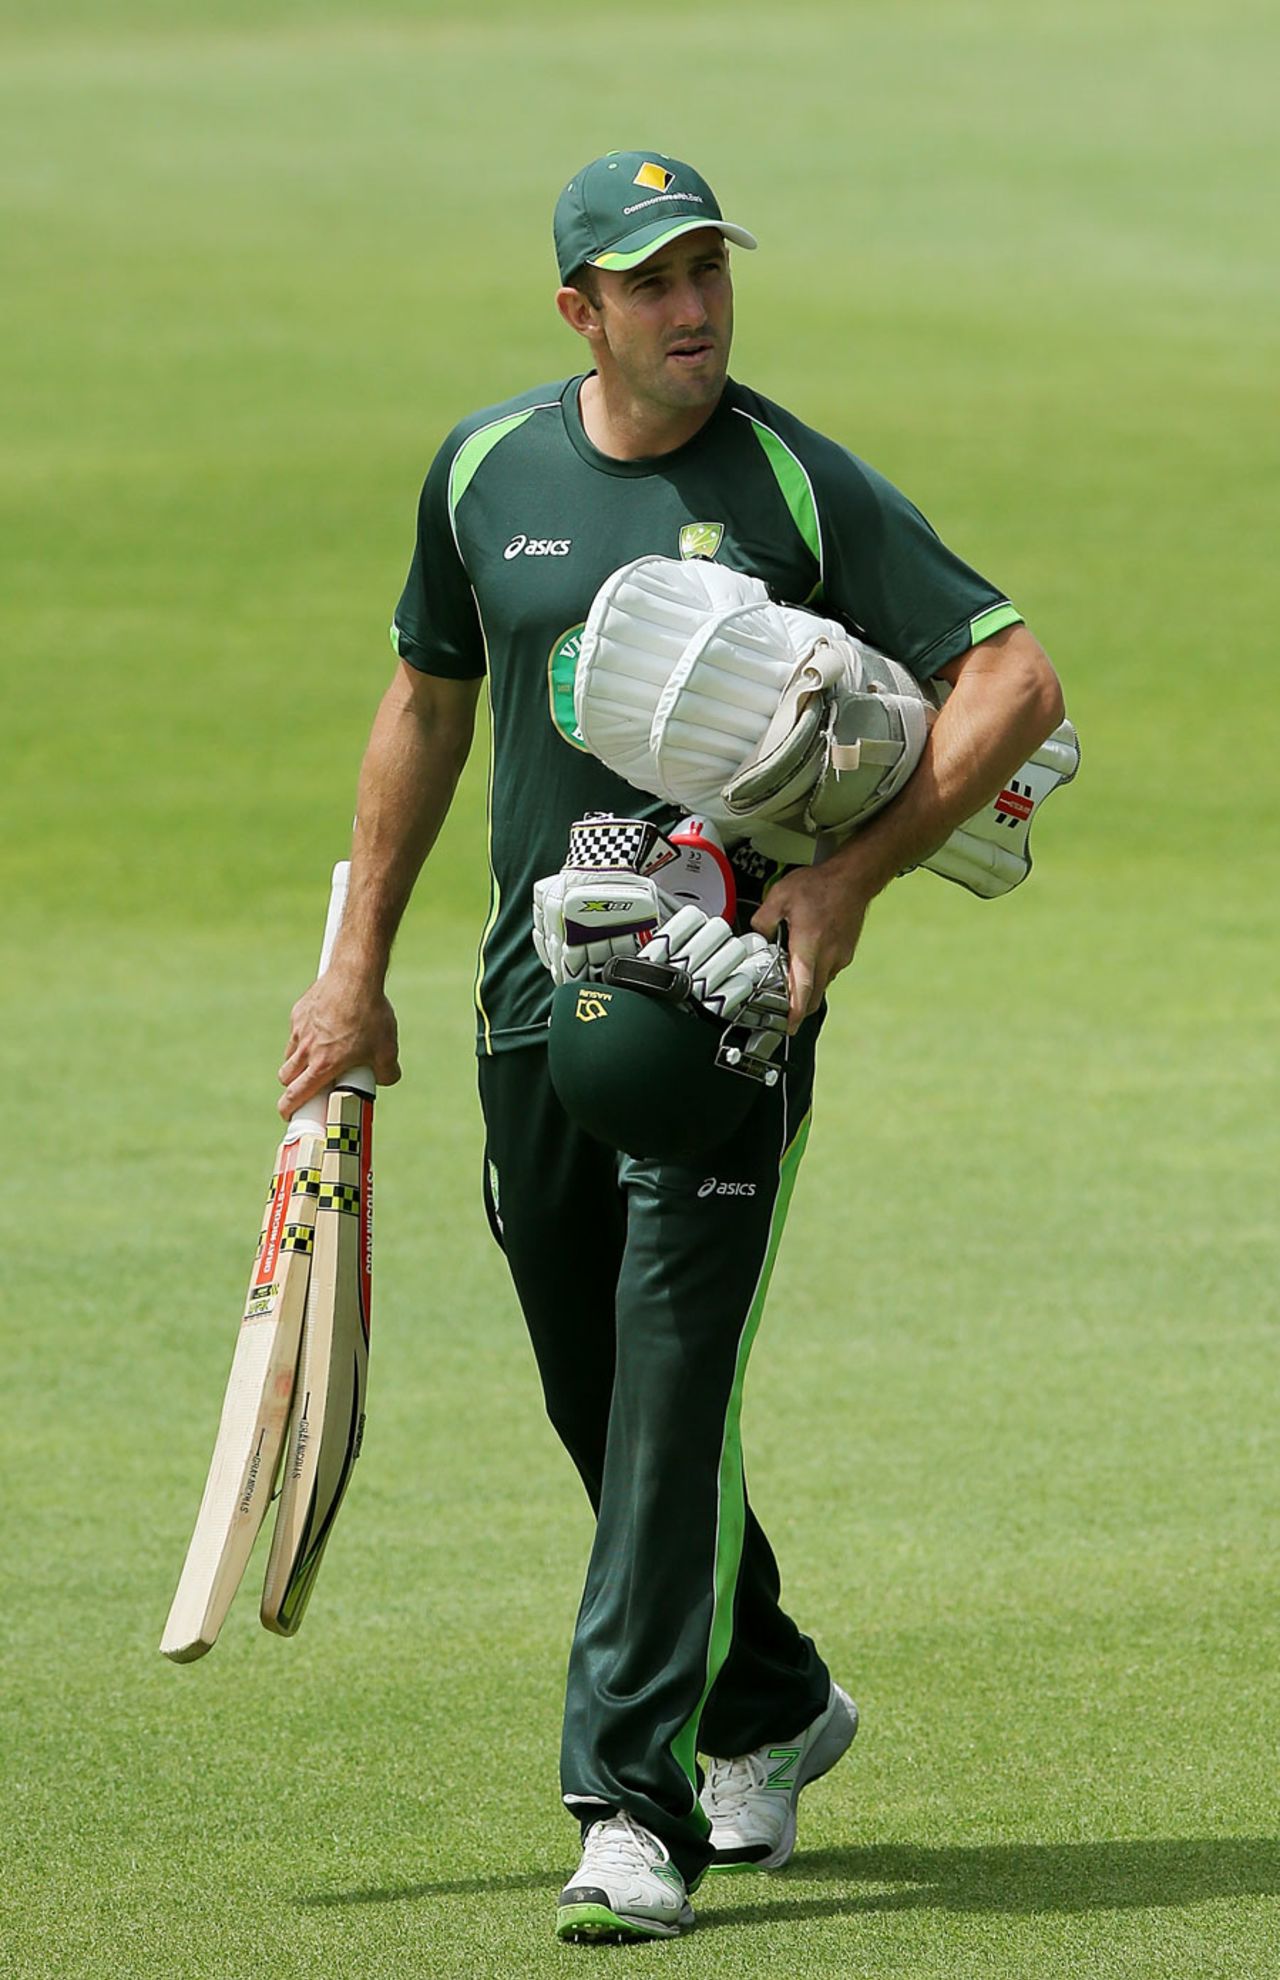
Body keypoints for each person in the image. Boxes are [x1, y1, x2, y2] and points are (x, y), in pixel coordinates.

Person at [277, 150, 1065, 1945]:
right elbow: (423, 699)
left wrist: (851, 884)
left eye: (708, 271)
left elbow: (1015, 679)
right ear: (583, 310)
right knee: (597, 1393)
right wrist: (354, 971)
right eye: (651, 282)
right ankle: (772, 1700)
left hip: (723, 1006)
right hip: (524, 1007)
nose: (693, 307)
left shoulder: (790, 475)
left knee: (669, 1392)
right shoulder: (487, 472)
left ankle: (630, 1807)